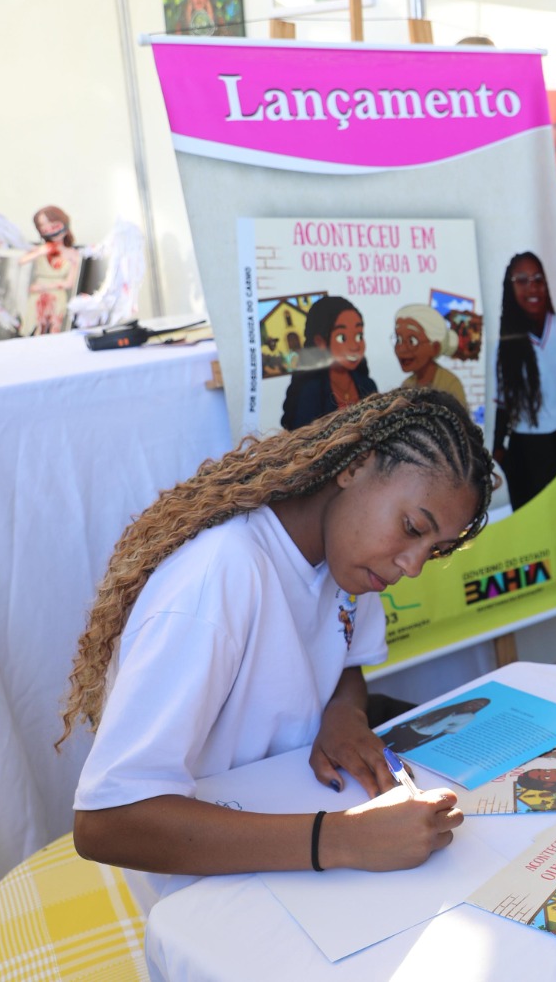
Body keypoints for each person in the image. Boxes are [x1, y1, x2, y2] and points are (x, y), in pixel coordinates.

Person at [61, 388, 492, 912]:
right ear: (355, 466)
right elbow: (106, 823)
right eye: (412, 529)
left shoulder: (349, 564)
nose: (414, 565)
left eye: (434, 549)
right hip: (208, 892)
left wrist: (344, 713)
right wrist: (343, 839)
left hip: (298, 844)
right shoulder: (220, 578)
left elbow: (346, 662)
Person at [492, 251, 556, 510]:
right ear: (510, 286)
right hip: (523, 449)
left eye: (538, 279)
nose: (532, 287)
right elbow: (502, 406)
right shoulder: (505, 343)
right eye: (522, 280)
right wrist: (497, 450)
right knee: (529, 526)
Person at [280, 296, 379, 431]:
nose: (354, 345)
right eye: (342, 337)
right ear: (320, 342)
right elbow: (302, 443)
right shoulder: (310, 392)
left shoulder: (368, 385)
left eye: (359, 336)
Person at [19, 206, 82, 335]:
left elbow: (69, 283)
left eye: (52, 223)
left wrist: (43, 287)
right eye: (43, 225)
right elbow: (20, 261)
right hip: (36, 298)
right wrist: (40, 252)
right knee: (32, 329)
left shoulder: (73, 254)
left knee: (53, 329)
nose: (49, 228)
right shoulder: (40, 250)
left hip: (56, 296)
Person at [392, 303, 468, 409]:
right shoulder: (406, 384)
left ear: (435, 347)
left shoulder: (451, 384)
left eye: (411, 341)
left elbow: (462, 422)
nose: (401, 349)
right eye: (398, 340)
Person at [377, 697, 490, 753]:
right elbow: (423, 717)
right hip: (408, 727)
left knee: (393, 752)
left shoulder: (469, 717)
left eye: (479, 705)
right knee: (378, 743)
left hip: (421, 735)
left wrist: (417, 745)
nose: (475, 705)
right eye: (475, 702)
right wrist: (400, 725)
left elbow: (443, 734)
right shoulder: (451, 707)